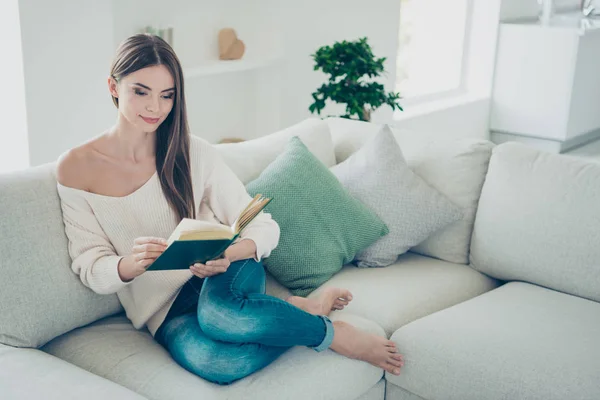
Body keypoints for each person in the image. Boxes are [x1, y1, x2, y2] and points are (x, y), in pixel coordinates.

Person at [55, 33, 403, 385]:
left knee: (219, 314)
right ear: (114, 87)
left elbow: (263, 226)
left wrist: (227, 254)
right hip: (165, 310)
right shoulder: (76, 168)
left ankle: (333, 335)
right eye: (140, 91)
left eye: (167, 95)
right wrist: (130, 264)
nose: (155, 108)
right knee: (220, 364)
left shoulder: (192, 152)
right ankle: (297, 310)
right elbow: (88, 265)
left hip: (225, 273)